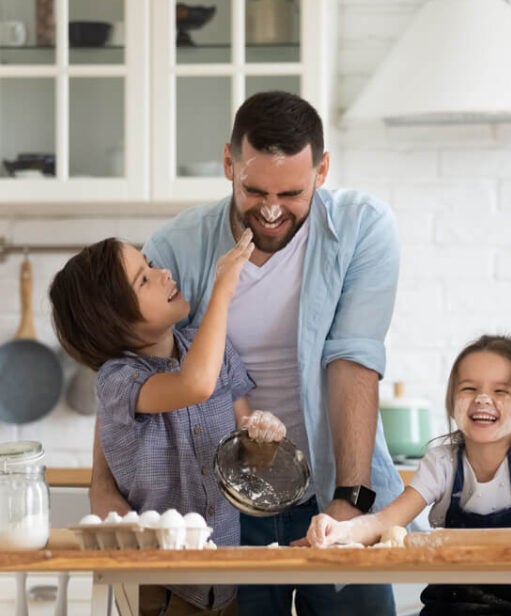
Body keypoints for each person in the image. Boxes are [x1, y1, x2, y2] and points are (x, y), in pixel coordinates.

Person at [89, 90, 402, 616]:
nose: (272, 210)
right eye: (255, 190)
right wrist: (104, 490)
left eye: (292, 192)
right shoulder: (177, 250)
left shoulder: (361, 229)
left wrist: (350, 499)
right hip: (223, 507)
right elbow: (130, 373)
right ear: (229, 163)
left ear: (322, 170)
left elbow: (353, 361)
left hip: (338, 491)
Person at [49, 230, 287, 616]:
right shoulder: (117, 381)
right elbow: (193, 385)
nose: (164, 275)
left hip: (226, 583)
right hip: (161, 590)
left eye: (152, 265)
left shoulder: (216, 351)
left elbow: (247, 460)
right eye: (144, 279)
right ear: (112, 320)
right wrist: (223, 289)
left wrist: (263, 438)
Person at [308, 334, 511, 615]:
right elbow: (385, 521)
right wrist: (341, 530)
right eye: (469, 388)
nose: (483, 399)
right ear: (451, 402)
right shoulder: (442, 461)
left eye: (501, 391)